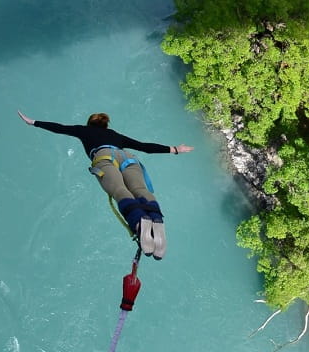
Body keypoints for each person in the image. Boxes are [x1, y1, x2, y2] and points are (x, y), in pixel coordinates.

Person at [17, 110, 193, 259]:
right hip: (127, 157)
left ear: (89, 124)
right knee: (139, 189)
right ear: (106, 126)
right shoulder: (115, 135)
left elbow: (60, 128)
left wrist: (33, 122)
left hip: (104, 157)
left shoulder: (83, 131)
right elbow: (144, 146)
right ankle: (156, 219)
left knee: (119, 190)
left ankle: (139, 222)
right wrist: (175, 149)